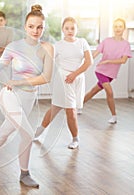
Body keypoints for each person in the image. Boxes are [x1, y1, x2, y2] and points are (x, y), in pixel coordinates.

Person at [0, 5, 54, 188]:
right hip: (9, 96)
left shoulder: (47, 48)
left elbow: (46, 77)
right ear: (25, 27)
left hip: (29, 98)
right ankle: (24, 174)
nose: (35, 31)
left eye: (39, 27)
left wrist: (20, 82)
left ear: (44, 28)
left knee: (6, 131)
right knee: (28, 134)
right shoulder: (14, 46)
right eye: (31, 26)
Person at [34, 17, 93, 149]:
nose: (70, 31)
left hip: (77, 79)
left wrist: (75, 74)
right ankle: (75, 138)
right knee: (70, 110)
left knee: (55, 108)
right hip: (64, 80)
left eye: (72, 28)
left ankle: (39, 130)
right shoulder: (58, 45)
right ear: (63, 30)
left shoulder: (82, 42)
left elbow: (89, 62)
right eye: (67, 28)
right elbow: (45, 59)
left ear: (77, 29)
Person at [81, 18, 132, 124]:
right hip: (101, 71)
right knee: (109, 92)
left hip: (111, 74)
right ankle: (114, 116)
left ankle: (78, 106)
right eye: (116, 26)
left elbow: (123, 60)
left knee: (93, 91)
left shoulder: (126, 44)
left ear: (124, 29)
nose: (118, 28)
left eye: (120, 26)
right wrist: (83, 63)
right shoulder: (106, 41)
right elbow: (94, 54)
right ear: (113, 28)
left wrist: (108, 60)